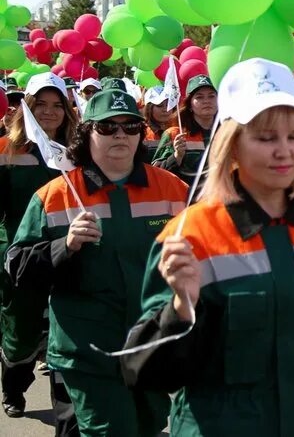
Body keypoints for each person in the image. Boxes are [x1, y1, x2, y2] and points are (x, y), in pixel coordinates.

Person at [120, 58, 294, 437]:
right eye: (264, 137)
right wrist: (180, 310)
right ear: (232, 143)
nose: (284, 152)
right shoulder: (189, 235)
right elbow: (141, 370)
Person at [6, 88, 190, 435]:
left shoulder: (172, 189)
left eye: (130, 127)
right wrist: (65, 245)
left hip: (152, 343)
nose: (120, 134)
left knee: (148, 425)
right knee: (110, 430)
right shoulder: (55, 195)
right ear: (87, 132)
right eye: (107, 127)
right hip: (88, 349)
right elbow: (16, 267)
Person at [0, 73, 78, 424]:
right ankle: (13, 387)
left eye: (56, 105)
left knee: (63, 339)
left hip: (69, 255)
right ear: (27, 107)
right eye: (40, 104)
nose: (48, 112)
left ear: (67, 110)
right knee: (20, 337)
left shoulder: (79, 151)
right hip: (21, 258)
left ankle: (69, 417)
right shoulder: (6, 150)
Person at [152, 75, 217, 189]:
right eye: (199, 97)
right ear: (190, 105)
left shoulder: (226, 132)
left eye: (211, 96)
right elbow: (155, 175)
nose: (206, 101)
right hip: (186, 202)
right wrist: (176, 157)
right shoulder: (174, 134)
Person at [142, 87, 176, 163]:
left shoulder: (178, 129)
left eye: (169, 105)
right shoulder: (140, 130)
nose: (165, 109)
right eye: (159, 105)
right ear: (149, 108)